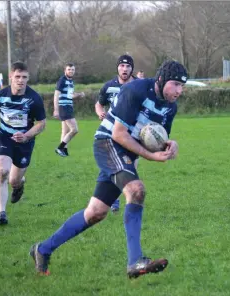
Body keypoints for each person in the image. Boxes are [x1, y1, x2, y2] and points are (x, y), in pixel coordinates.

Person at [30, 60, 187, 277]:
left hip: (125, 153)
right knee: (136, 190)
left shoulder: (171, 106)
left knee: (96, 213)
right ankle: (135, 262)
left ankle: (43, 249)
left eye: (182, 86)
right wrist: (151, 156)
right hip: (108, 143)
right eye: (175, 84)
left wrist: (171, 145)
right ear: (161, 79)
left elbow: (158, 138)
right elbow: (118, 134)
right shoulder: (135, 90)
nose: (179, 91)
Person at [0, 61, 46, 225]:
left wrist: (26, 136)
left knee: (14, 180)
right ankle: (2, 213)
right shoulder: (0, 95)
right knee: (2, 171)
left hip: (24, 142)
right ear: (11, 77)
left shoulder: (34, 98)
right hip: (4, 137)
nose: (21, 80)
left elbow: (41, 124)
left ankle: (19, 185)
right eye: (17, 76)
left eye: (24, 77)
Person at [96, 54, 137, 213]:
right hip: (110, 134)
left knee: (130, 167)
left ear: (132, 68)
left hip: (132, 134)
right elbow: (99, 104)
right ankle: (114, 199)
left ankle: (125, 199)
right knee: (112, 166)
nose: (125, 69)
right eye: (122, 66)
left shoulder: (138, 86)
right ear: (117, 68)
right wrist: (100, 113)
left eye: (128, 66)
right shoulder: (108, 86)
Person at [54, 63, 85, 157]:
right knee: (74, 130)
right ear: (65, 70)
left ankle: (64, 151)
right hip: (64, 108)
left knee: (65, 131)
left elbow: (70, 95)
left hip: (68, 107)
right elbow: (56, 95)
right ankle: (60, 148)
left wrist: (79, 94)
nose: (71, 71)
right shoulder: (62, 80)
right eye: (69, 69)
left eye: (72, 70)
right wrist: (56, 110)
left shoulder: (70, 81)